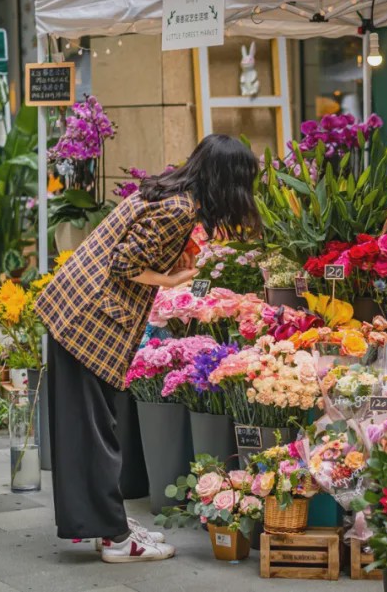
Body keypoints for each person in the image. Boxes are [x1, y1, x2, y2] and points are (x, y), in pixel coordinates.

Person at [35, 134, 260, 563]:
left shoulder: (168, 190)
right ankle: (117, 540)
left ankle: (108, 526)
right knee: (96, 433)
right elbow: (125, 264)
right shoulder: (179, 208)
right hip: (89, 320)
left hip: (77, 312)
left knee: (90, 428)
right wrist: (172, 280)